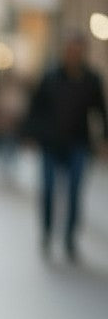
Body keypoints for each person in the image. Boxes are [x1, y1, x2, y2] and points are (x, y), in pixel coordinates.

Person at [24, 32, 107, 260]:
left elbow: (100, 111)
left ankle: (70, 238)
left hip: (78, 143)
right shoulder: (50, 77)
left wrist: (103, 140)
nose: (74, 54)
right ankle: (48, 233)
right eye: (70, 50)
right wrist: (31, 135)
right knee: (49, 190)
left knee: (73, 192)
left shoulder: (92, 79)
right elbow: (36, 108)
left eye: (78, 50)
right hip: (51, 143)